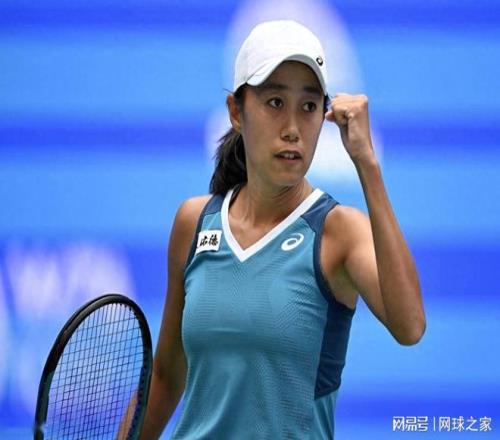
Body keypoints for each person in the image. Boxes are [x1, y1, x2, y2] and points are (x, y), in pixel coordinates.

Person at [139, 20, 426, 439]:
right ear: (236, 112)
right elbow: (166, 376)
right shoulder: (194, 223)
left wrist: (367, 164)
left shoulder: (338, 232)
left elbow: (410, 326)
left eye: (308, 107)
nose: (292, 128)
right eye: (275, 102)